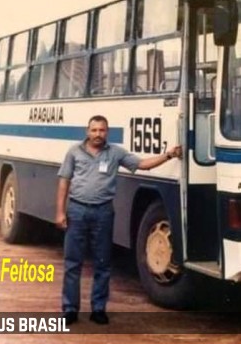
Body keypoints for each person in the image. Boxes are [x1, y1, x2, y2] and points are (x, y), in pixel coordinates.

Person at [56, 114, 182, 325]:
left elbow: (143, 164)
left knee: (103, 263)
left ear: (107, 132)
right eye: (94, 130)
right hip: (77, 211)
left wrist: (168, 155)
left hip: (103, 213)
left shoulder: (115, 153)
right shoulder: (74, 152)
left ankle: (98, 309)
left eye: (102, 130)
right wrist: (60, 212)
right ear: (87, 132)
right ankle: (70, 309)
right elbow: (63, 181)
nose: (98, 134)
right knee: (72, 262)